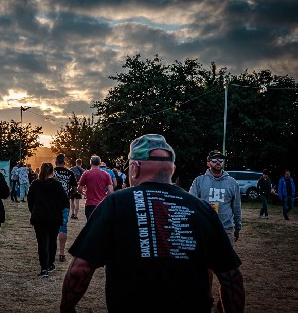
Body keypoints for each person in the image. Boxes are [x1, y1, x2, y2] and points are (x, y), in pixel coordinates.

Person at [60, 134, 245, 313]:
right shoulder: (202, 209)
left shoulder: (116, 204)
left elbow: (80, 269)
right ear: (171, 169)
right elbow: (231, 278)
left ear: (135, 168)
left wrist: (66, 309)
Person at [189, 149, 242, 308]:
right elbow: (191, 203)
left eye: (221, 160)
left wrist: (237, 227)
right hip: (204, 230)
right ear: (208, 163)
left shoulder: (232, 183)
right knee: (205, 268)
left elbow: (236, 207)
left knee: (227, 268)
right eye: (214, 159)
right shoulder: (199, 181)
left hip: (226, 230)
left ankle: (224, 300)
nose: (218, 162)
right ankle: (207, 297)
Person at [27, 162, 69, 278]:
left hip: (39, 217)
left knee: (42, 243)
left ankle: (44, 268)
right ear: (52, 172)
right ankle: (50, 264)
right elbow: (65, 201)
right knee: (52, 241)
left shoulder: (35, 184)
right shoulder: (57, 185)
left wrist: (33, 211)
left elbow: (30, 201)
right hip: (54, 217)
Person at [53, 154, 78, 262]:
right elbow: (75, 189)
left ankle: (51, 251)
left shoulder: (52, 171)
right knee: (63, 227)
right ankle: (62, 253)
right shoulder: (70, 173)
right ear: (64, 162)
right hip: (64, 203)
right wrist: (68, 194)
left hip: (52, 203)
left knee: (51, 227)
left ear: (56, 162)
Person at [77, 155, 113, 220]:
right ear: (99, 163)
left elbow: (79, 189)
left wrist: (84, 193)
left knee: (91, 225)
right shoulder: (106, 174)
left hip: (90, 204)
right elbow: (110, 191)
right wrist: (105, 196)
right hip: (101, 203)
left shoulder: (86, 174)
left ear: (91, 163)